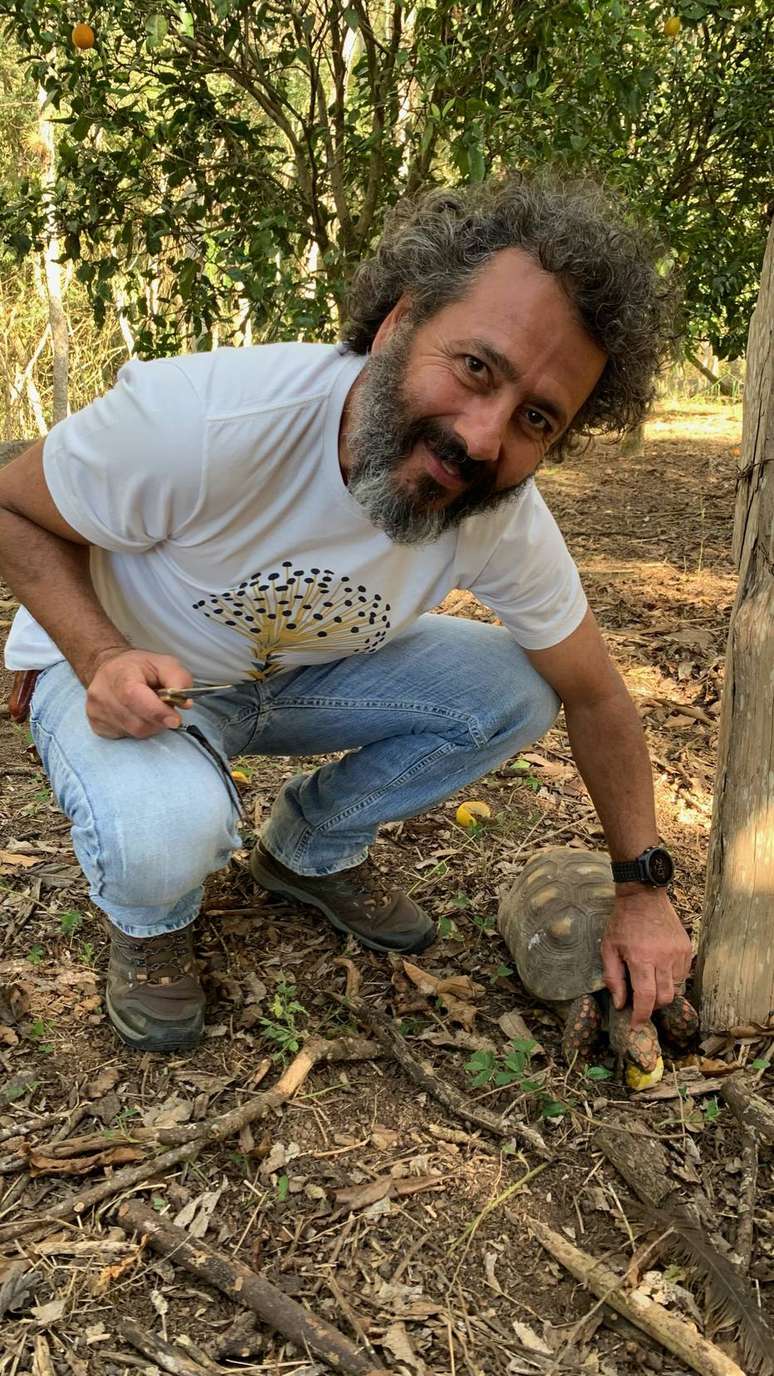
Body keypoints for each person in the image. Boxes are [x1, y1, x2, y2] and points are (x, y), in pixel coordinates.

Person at [0, 173, 692, 1052]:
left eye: (536, 419)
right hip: (125, 676)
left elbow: (598, 698)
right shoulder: (207, 419)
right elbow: (12, 504)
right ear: (399, 323)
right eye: (477, 367)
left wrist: (643, 888)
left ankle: (308, 849)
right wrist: (95, 655)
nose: (482, 438)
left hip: (284, 677)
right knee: (165, 830)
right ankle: (153, 921)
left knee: (517, 687)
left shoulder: (500, 514)